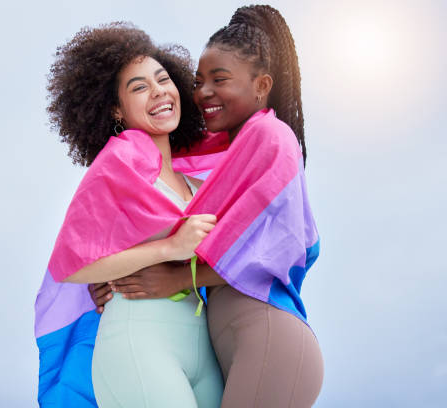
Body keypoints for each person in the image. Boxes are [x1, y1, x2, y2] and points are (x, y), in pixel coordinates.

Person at [97, 5, 324, 407]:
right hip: (236, 343)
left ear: (261, 85)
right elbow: (180, 229)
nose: (202, 93)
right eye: (199, 81)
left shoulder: (272, 136)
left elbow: (277, 247)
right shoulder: (227, 157)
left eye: (220, 80)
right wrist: (113, 273)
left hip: (267, 334)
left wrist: (177, 279)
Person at [35, 23, 223, 408]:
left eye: (163, 79)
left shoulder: (198, 184)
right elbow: (72, 265)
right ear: (117, 109)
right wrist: (169, 247)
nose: (158, 92)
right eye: (139, 87)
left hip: (204, 345)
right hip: (140, 341)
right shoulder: (119, 162)